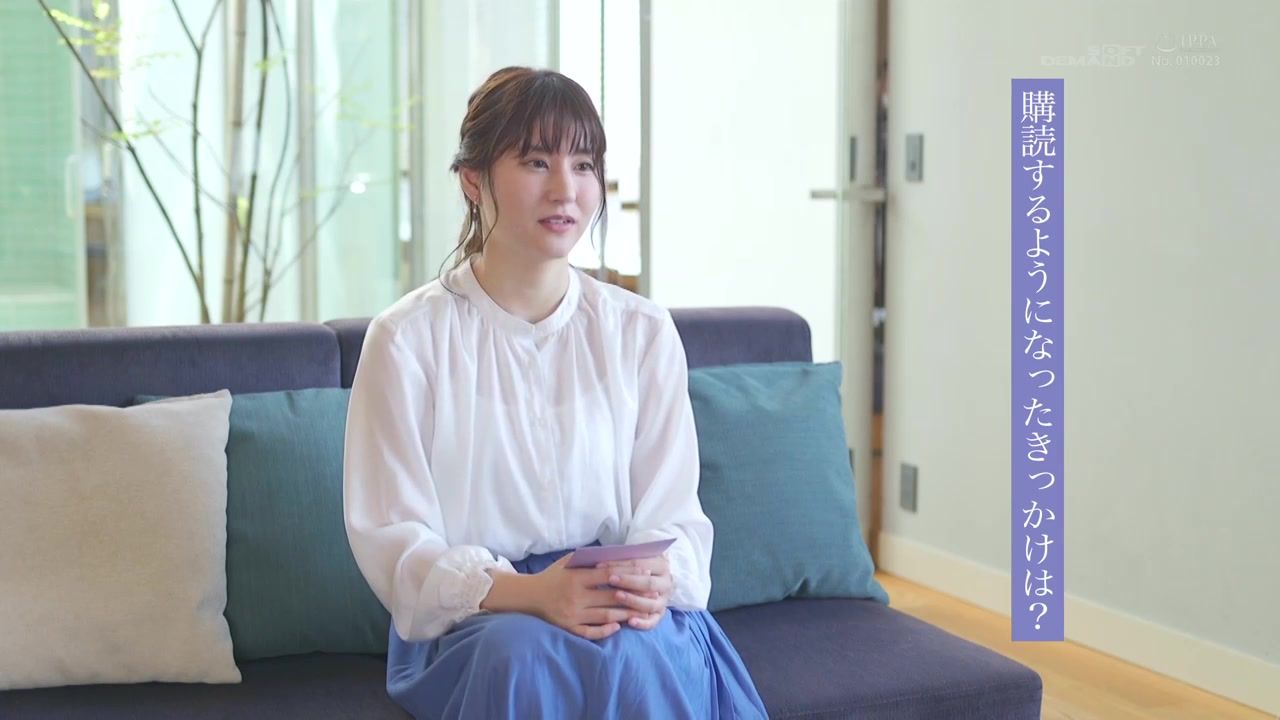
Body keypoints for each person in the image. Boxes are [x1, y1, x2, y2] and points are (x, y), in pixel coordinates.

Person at [342, 66, 768, 719]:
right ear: (473, 179)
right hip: (481, 617)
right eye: (537, 162)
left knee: (638, 654)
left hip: (616, 604)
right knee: (523, 655)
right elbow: (395, 540)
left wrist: (654, 575)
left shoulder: (641, 332)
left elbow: (675, 515)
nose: (566, 189)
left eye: (584, 165)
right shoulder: (406, 340)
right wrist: (532, 593)